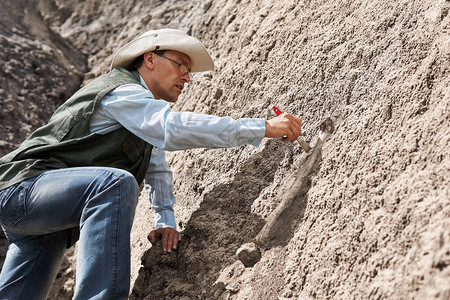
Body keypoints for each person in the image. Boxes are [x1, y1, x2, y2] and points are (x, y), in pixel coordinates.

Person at [0, 28, 302, 299]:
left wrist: (165, 220)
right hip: (22, 190)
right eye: (181, 65)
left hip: (46, 217)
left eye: (189, 72)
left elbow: (156, 166)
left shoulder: (141, 115)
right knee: (114, 183)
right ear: (150, 59)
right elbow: (170, 130)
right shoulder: (122, 90)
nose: (186, 77)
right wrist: (261, 127)